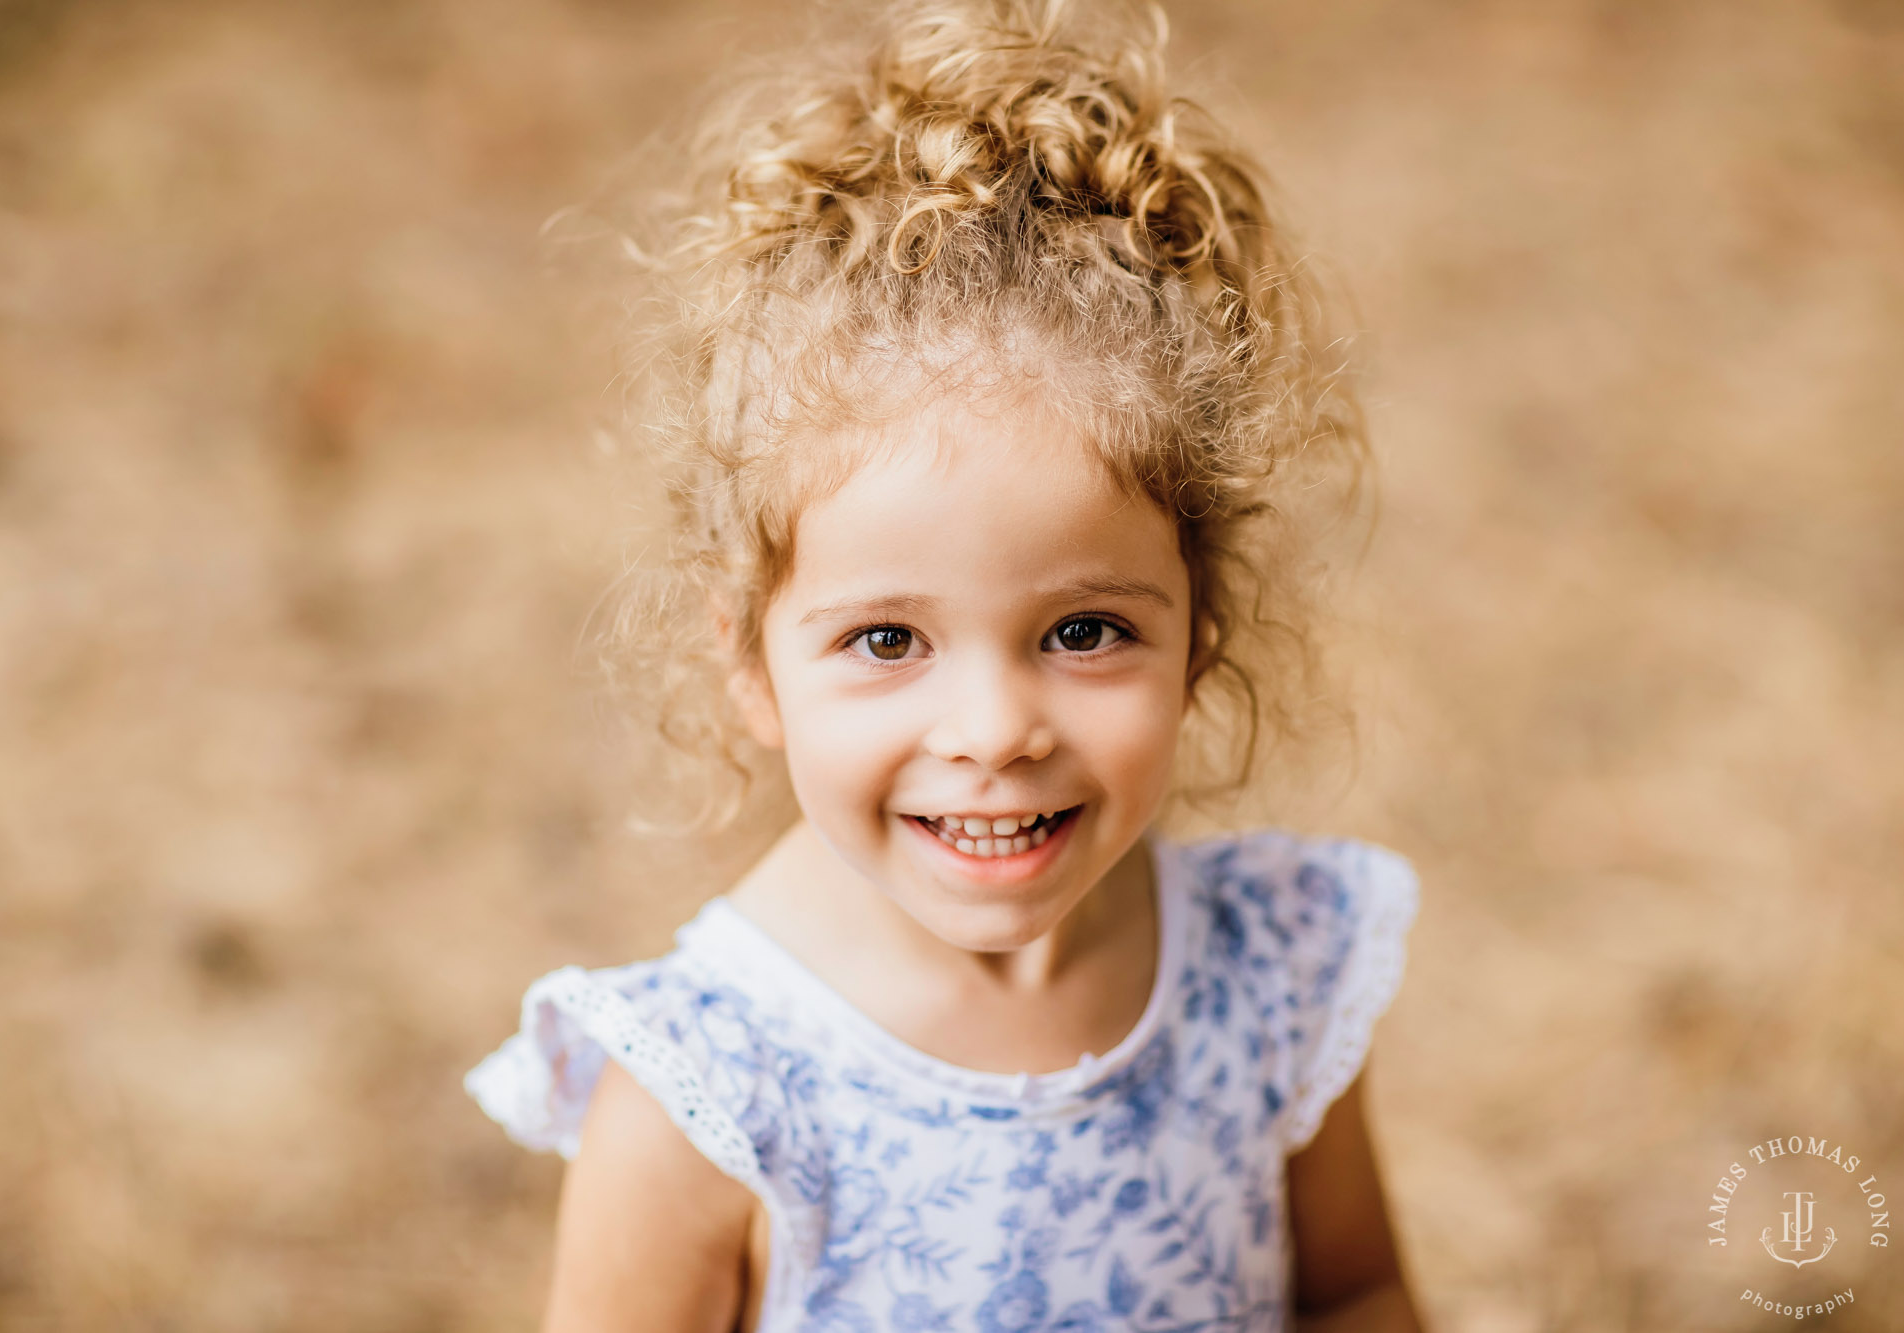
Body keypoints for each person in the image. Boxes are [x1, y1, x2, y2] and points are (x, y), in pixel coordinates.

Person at [465, 1, 1427, 1328]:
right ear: (750, 658)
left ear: (1200, 631)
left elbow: (1357, 1292)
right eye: (885, 639)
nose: (992, 728)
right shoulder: (709, 1101)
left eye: (1084, 631)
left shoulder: (1268, 977)